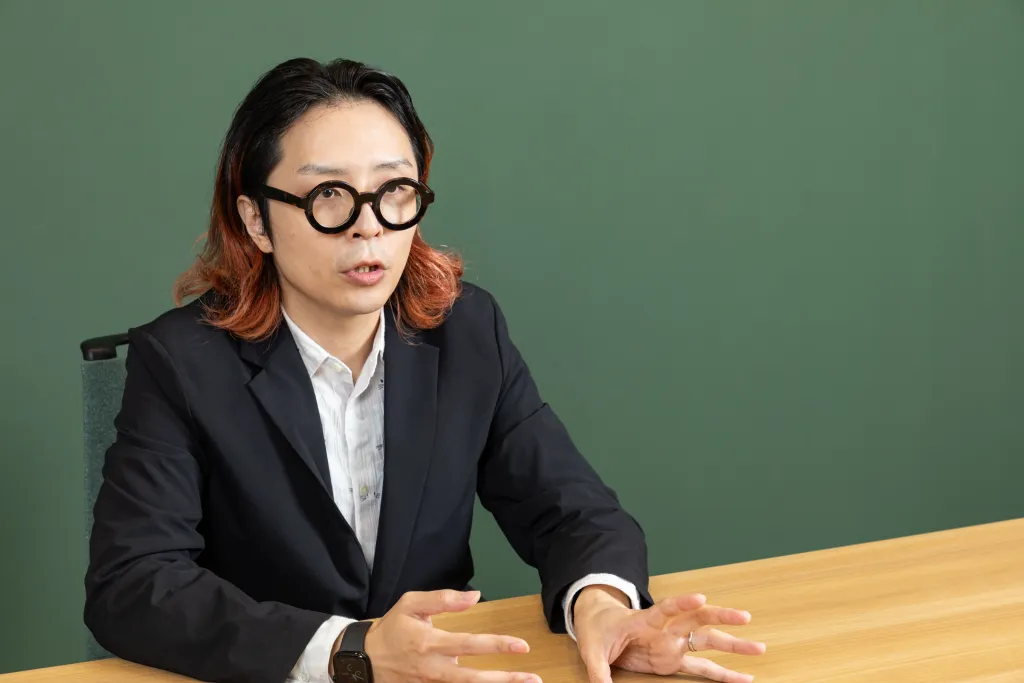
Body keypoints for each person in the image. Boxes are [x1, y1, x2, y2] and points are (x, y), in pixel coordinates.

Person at [84, 57, 765, 683]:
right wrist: (349, 649)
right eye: (328, 195)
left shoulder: (466, 332)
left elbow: (571, 510)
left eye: (395, 190)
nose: (369, 227)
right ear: (256, 220)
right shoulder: (181, 363)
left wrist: (602, 606)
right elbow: (132, 584)